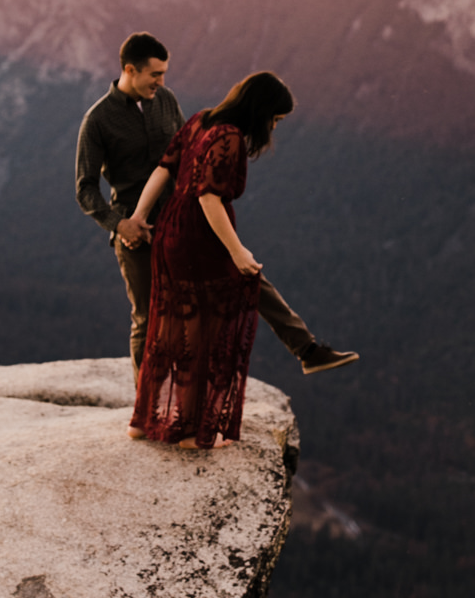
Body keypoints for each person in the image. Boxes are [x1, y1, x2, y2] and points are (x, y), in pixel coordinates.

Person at [75, 32, 357, 377]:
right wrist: (121, 225)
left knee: (246, 271)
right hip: (138, 233)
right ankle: (144, 405)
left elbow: (180, 157)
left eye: (164, 73)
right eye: (155, 75)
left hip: (184, 219)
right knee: (149, 317)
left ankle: (307, 349)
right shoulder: (98, 120)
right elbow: (85, 189)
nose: (162, 82)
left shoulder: (165, 100)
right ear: (130, 70)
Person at [128, 71, 290, 449]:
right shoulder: (230, 135)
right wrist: (238, 252)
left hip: (170, 228)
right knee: (207, 329)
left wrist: (139, 216)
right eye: (275, 119)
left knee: (168, 326)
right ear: (261, 110)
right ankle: (188, 431)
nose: (274, 126)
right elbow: (209, 198)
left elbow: (164, 168)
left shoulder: (201, 119)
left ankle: (144, 420)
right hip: (199, 238)